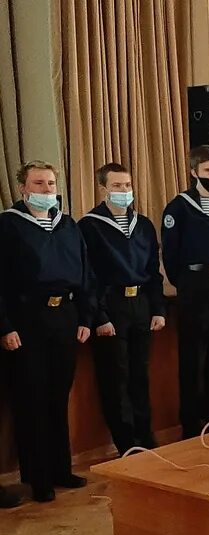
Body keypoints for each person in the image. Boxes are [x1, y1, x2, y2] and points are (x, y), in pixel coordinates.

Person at [0, 160, 94, 503]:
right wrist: (5, 326)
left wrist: (86, 316)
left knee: (58, 396)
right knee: (32, 399)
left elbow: (86, 274)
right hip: (27, 321)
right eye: (38, 184)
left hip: (65, 317)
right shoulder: (9, 226)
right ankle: (38, 477)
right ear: (23, 188)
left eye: (51, 184)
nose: (46, 190)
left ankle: (60, 468)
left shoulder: (68, 225)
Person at [79, 163, 166, 455]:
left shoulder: (143, 225)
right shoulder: (89, 226)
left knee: (140, 374)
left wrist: (158, 308)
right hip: (110, 306)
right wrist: (100, 317)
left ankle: (145, 434)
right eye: (117, 186)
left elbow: (153, 270)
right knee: (116, 376)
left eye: (127, 185)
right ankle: (126, 441)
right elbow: (88, 276)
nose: (124, 191)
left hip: (140, 303)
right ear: (103, 190)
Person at [161, 145, 209, 439]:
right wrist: (186, 282)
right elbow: (170, 252)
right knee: (193, 355)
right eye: (208, 171)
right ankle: (191, 423)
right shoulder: (179, 207)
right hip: (193, 283)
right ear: (194, 172)